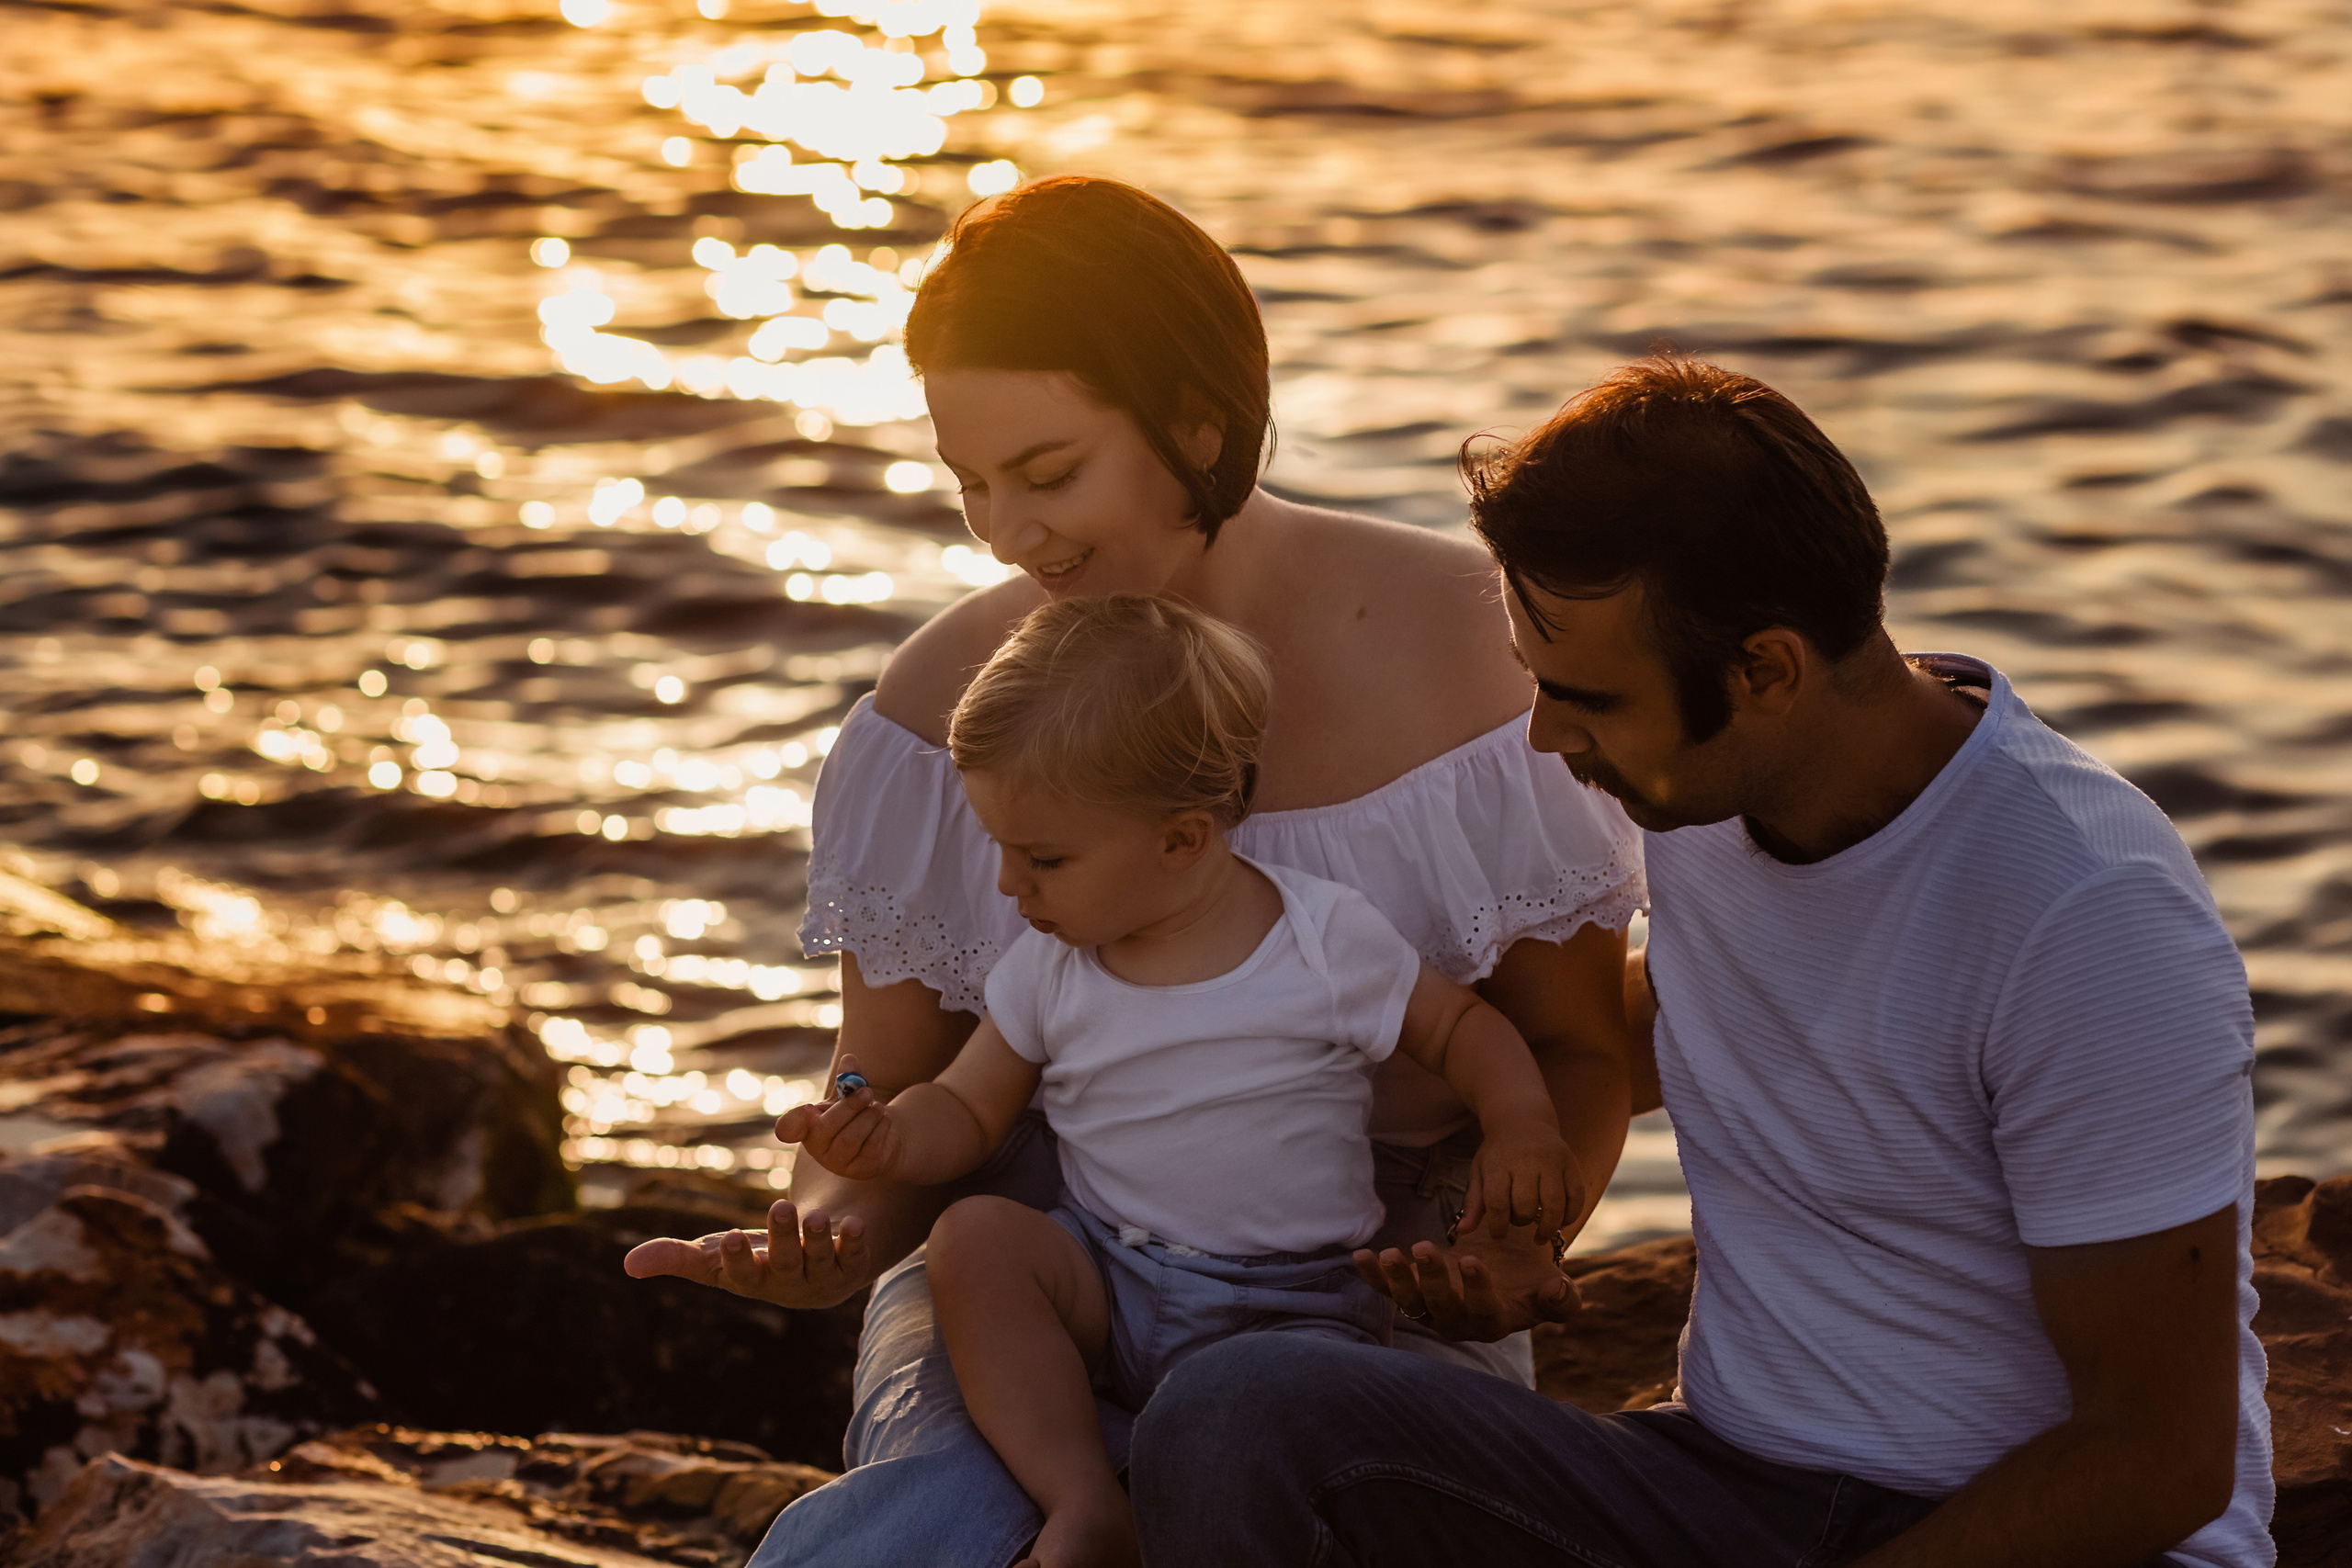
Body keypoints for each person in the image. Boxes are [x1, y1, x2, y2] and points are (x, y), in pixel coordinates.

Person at [621, 175, 1645, 1568]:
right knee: (953, 1527)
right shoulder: (940, 711)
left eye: (1048, 474)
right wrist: (823, 1229)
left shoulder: (1469, 646)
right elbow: (882, 1084)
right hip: (1039, 1261)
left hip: (1374, 1268)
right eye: (970, 482)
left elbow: (1576, 1044)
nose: (1006, 531)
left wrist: (1515, 1244)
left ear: (1197, 421)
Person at [1132, 355, 2273, 1568]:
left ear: (1766, 670)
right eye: (1535, 679)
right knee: (1241, 1411)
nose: (1546, 736)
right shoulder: (1706, 800)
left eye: (1590, 698)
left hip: (2018, 1530)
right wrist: (1500, 1184)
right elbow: (1706, 1019)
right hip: (1729, 1490)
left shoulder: (2085, 911)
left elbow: (2160, 1458)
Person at [780, 593, 1583, 1568]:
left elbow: (1462, 1028)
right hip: (1109, 1276)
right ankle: (1080, 1494)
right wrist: (892, 1137)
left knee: (1279, 1436)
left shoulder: (1320, 938)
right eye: (998, 848)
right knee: (975, 1238)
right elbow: (967, 1106)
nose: (1006, 886)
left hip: (1297, 1305)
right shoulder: (1049, 967)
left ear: (1181, 840)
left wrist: (1521, 1125)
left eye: (1042, 857)